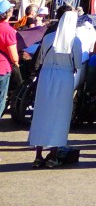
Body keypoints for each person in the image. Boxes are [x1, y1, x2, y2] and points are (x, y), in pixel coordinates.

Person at [28, 9, 83, 167]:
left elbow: (41, 58)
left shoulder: (48, 38)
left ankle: (38, 155)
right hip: (64, 77)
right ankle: (53, 156)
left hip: (46, 75)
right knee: (60, 115)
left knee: (41, 113)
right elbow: (78, 64)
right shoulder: (75, 41)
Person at [0, 0, 20, 128]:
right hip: (2, 67)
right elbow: (14, 57)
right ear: (8, 13)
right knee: (1, 100)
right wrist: (16, 63)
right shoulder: (8, 30)